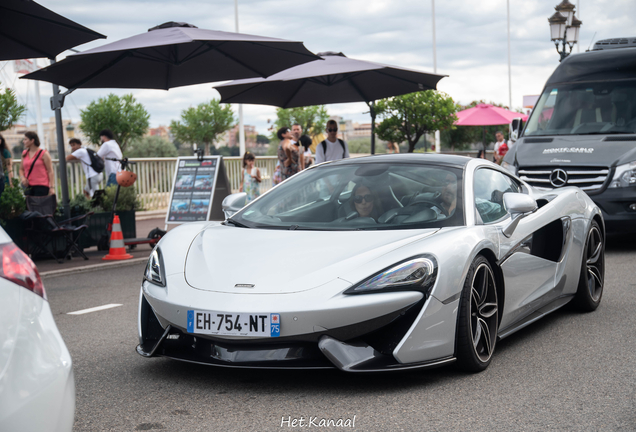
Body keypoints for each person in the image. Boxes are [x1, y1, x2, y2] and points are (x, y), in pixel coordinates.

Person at [19, 131, 55, 197]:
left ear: (32, 140)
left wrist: (52, 187)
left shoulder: (44, 154)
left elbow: (50, 171)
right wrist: (22, 178)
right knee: (29, 206)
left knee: (39, 206)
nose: (23, 141)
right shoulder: (24, 153)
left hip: (41, 186)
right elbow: (21, 169)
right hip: (28, 186)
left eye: (25, 139)